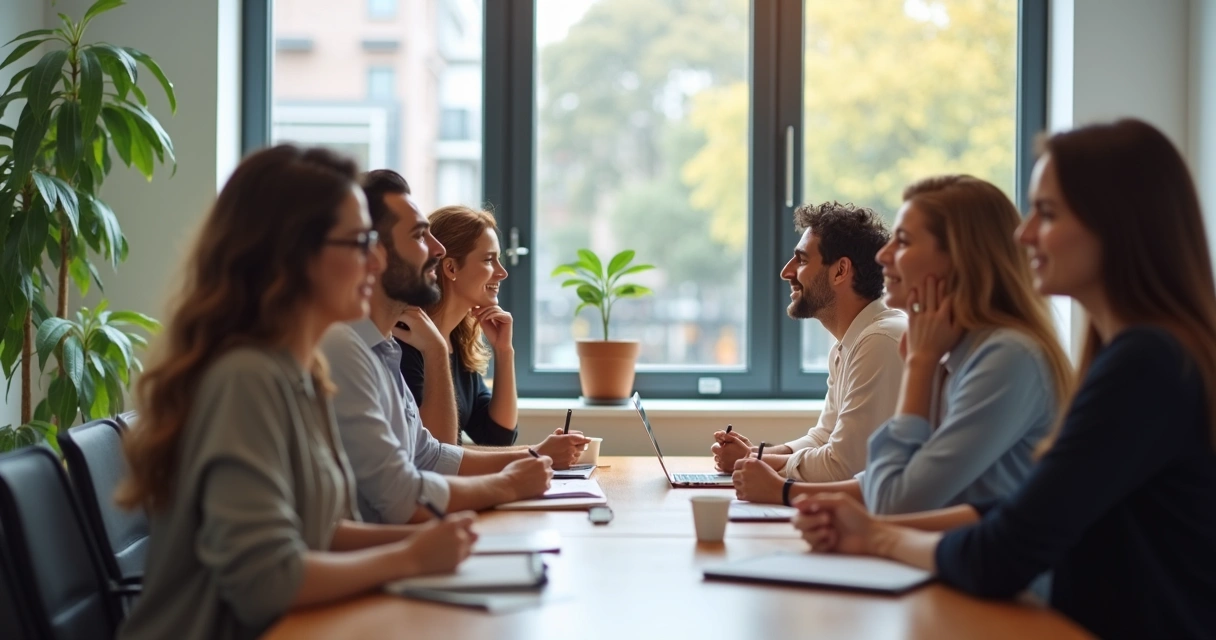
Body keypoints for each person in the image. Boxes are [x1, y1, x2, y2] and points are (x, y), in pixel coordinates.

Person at [795, 119, 1216, 639]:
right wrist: (869, 526)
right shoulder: (1133, 355)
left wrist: (877, 536)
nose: (1024, 233)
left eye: (1048, 213)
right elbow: (1023, 508)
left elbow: (1004, 549)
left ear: (1117, 227)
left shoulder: (1145, 363)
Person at [116, 146, 477, 640]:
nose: (376, 260)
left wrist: (426, 541)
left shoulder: (303, 370)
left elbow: (320, 532)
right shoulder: (244, 378)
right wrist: (408, 557)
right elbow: (265, 581)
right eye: (359, 242)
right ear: (294, 257)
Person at [735, 175, 1072, 512]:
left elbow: (896, 496)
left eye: (904, 241)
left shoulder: (1006, 358)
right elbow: (893, 480)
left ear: (960, 258)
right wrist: (784, 488)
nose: (883, 256)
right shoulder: (961, 351)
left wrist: (920, 365)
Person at [322, 169, 589, 524]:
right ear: (373, 255)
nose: (437, 249)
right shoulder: (355, 347)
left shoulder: (384, 348)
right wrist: (510, 482)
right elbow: (407, 491)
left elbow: (433, 455)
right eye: (419, 236)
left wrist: (534, 456)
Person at [713, 203, 905, 487]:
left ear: (840, 271)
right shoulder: (849, 345)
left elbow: (843, 466)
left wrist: (759, 463)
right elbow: (823, 437)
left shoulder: (879, 342)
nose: (786, 272)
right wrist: (754, 455)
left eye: (801, 260)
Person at [398, 205, 518, 446]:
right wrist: (537, 453)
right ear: (451, 268)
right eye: (489, 260)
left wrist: (504, 351)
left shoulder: (458, 341)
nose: (502, 273)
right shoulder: (405, 340)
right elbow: (435, 453)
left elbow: (497, 437)